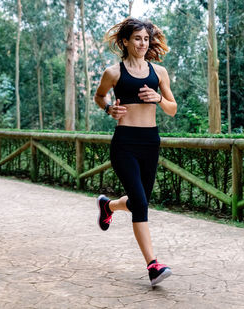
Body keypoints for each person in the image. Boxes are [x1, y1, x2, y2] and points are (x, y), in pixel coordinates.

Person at [93, 18, 177, 286]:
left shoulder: (159, 73)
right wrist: (109, 109)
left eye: (146, 39)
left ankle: (108, 205)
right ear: (126, 41)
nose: (143, 44)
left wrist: (159, 99)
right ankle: (153, 266)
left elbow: (173, 108)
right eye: (137, 39)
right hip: (125, 142)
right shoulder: (113, 73)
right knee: (140, 204)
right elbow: (99, 96)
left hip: (151, 141)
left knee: (138, 201)